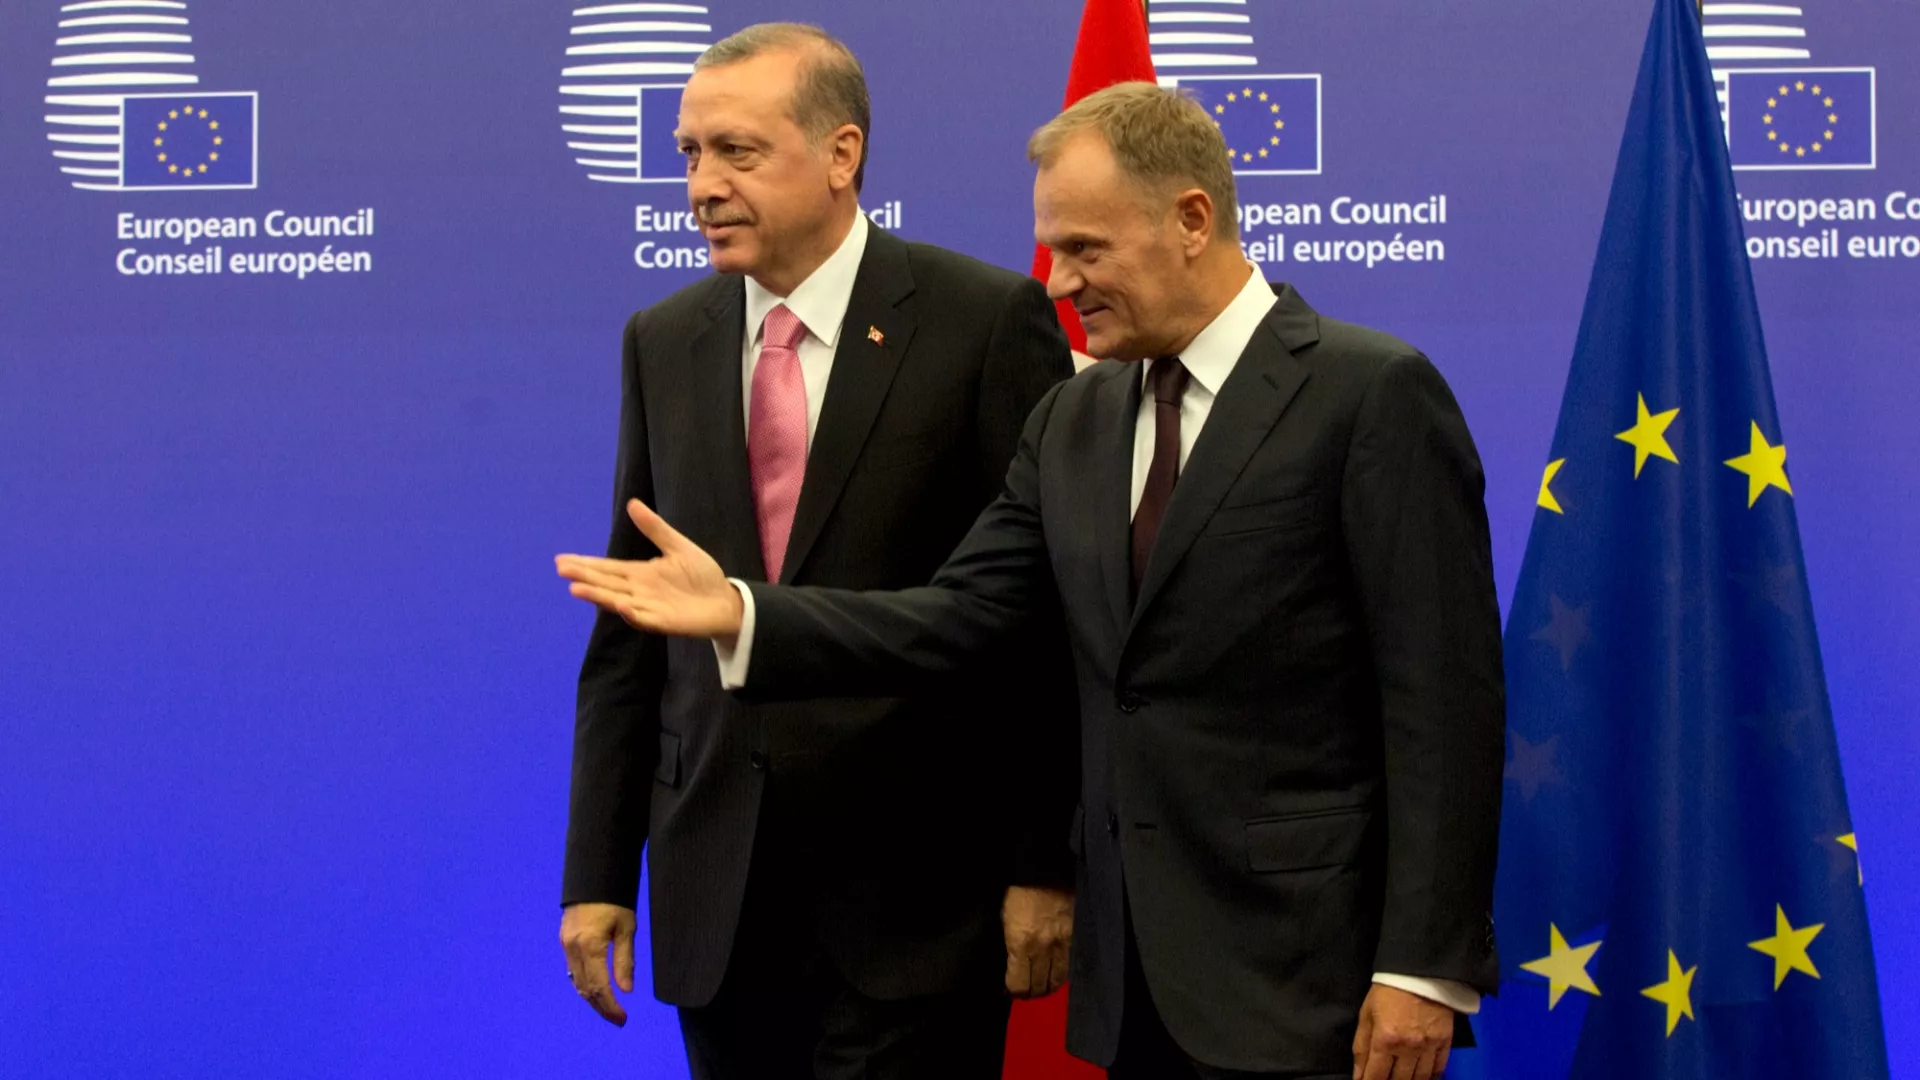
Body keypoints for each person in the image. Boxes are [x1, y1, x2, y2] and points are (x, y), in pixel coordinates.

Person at [559, 81, 1505, 1080]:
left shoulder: (1370, 393)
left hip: (1316, 980)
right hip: (1135, 984)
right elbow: (959, 615)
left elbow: (1443, 706)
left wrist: (1424, 966)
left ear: (1192, 221)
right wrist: (746, 615)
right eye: (1052, 249)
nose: (1057, 284)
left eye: (1086, 249)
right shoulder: (1075, 419)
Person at [557, 23, 1079, 1080]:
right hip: (719, 892)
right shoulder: (663, 338)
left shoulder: (983, 321)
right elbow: (633, 629)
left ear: (842, 154)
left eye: (737, 152)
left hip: (918, 896)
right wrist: (598, 872)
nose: (702, 186)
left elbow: (1037, 621)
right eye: (689, 153)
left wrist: (1044, 862)